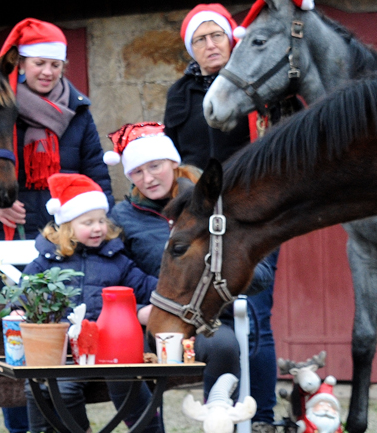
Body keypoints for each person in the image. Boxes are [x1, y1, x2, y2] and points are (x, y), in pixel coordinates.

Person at [0, 18, 113, 433]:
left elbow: (96, 176)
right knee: (16, 339)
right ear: (21, 64)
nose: (47, 72)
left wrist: (99, 221)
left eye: (55, 64)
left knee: (65, 337)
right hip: (7, 240)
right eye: (39, 62)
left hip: (63, 245)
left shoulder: (78, 114)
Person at [20, 173, 185, 433]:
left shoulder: (118, 261)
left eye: (100, 221)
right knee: (56, 388)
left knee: (131, 389)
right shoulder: (45, 263)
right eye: (87, 222)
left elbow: (145, 291)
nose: (97, 228)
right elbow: (23, 297)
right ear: (65, 226)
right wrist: (22, 311)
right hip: (65, 353)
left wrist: (152, 309)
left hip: (114, 352)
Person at [163, 4, 281, 433]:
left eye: (217, 36)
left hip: (254, 216)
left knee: (257, 316)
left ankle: (266, 426)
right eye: (200, 40)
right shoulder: (181, 94)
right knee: (209, 325)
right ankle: (218, 426)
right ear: (191, 49)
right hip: (200, 221)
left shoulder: (261, 90)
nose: (210, 45)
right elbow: (175, 159)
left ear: (233, 38)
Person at [106, 122, 270, 404]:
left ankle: (217, 427)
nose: (147, 178)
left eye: (155, 166)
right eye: (137, 172)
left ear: (173, 162)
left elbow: (262, 274)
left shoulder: (213, 205)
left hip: (205, 320)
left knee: (223, 345)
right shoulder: (122, 216)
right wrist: (139, 311)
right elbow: (112, 271)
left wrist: (216, 268)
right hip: (150, 318)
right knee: (118, 355)